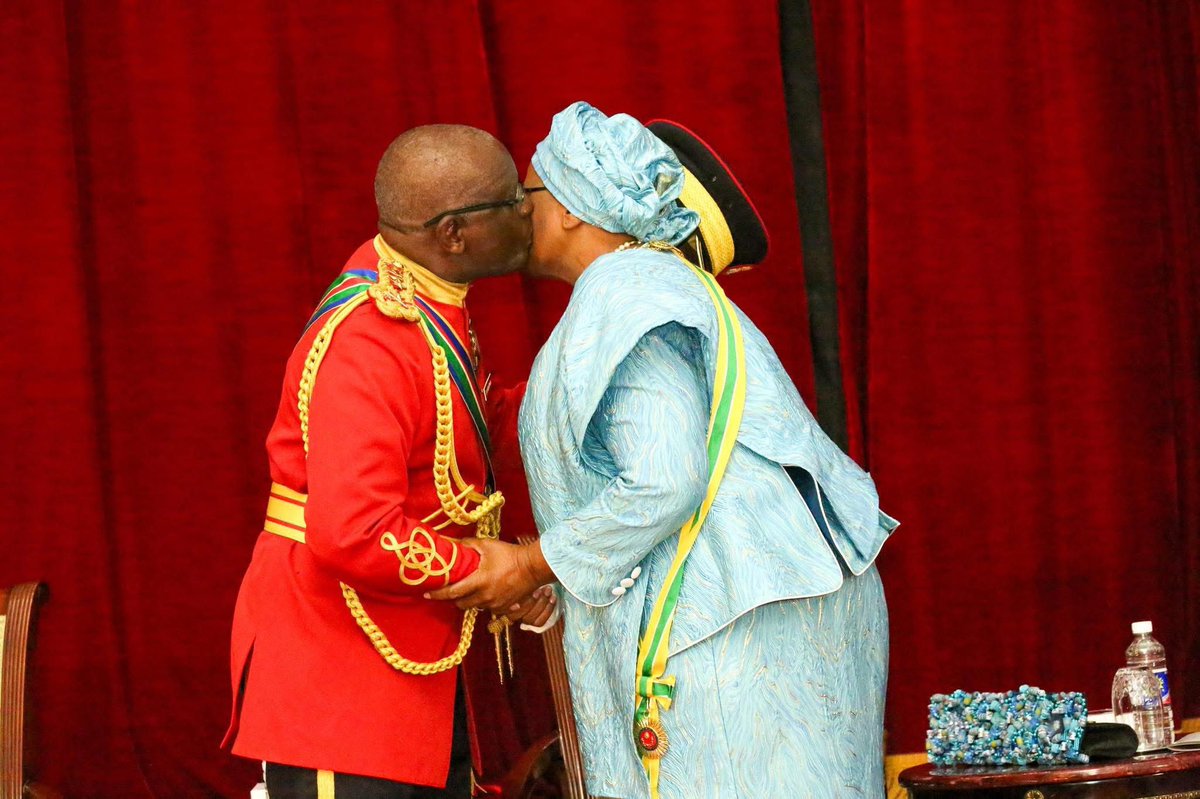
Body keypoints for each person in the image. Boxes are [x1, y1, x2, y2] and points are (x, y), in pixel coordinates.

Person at [429, 103, 899, 799]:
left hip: (742, 633)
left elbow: (666, 478)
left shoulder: (624, 292)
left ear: (568, 208)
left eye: (526, 195)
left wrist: (532, 560)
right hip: (755, 613)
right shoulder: (649, 286)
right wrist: (555, 581)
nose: (517, 214)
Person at [223, 124, 554, 799]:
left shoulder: (429, 297)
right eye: (511, 202)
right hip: (336, 670)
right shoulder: (369, 340)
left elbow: (467, 423)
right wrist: (495, 568)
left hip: (403, 651)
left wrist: (582, 396)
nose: (529, 213)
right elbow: (354, 531)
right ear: (454, 232)